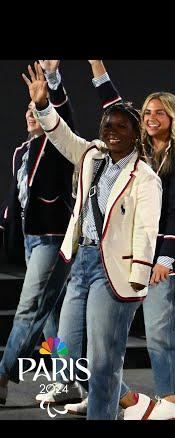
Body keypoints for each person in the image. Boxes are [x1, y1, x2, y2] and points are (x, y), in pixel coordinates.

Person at [23, 62, 162, 420]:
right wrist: (42, 105)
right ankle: (127, 398)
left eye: (121, 126)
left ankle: (104, 411)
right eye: (107, 126)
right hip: (81, 262)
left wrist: (137, 278)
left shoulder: (144, 178)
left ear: (136, 135)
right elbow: (60, 134)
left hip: (113, 271)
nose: (112, 131)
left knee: (103, 360)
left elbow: (146, 231)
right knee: (67, 352)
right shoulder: (91, 156)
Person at [60, 61, 175, 420]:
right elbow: (114, 110)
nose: (150, 117)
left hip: (157, 256)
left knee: (159, 332)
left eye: (159, 113)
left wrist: (163, 259)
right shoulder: (137, 148)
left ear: (174, 118)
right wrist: (96, 67)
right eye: (147, 112)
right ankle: (111, 395)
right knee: (84, 346)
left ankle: (169, 400)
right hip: (114, 254)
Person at [0, 61, 75, 405]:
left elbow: (64, 116)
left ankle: (2, 373)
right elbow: (17, 197)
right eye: (29, 109)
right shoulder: (21, 151)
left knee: (29, 309)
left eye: (38, 108)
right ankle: (67, 379)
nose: (32, 113)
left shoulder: (60, 143)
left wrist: (52, 86)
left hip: (51, 238)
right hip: (31, 239)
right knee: (49, 317)